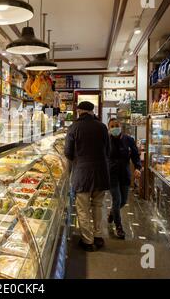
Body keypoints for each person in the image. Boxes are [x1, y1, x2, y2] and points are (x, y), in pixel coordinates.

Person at [64, 101, 110, 252]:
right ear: (92, 111)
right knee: (98, 205)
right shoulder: (102, 127)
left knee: (83, 208)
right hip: (101, 172)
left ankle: (88, 240)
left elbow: (68, 153)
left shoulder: (74, 127)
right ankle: (98, 236)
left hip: (82, 173)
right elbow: (108, 150)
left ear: (79, 111)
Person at [107, 118, 142, 239]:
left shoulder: (129, 140)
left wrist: (138, 167)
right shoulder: (106, 141)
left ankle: (112, 212)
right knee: (117, 199)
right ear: (108, 128)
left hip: (125, 174)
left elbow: (135, 155)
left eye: (116, 125)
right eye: (112, 126)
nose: (114, 128)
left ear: (120, 126)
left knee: (123, 201)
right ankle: (119, 227)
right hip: (111, 174)